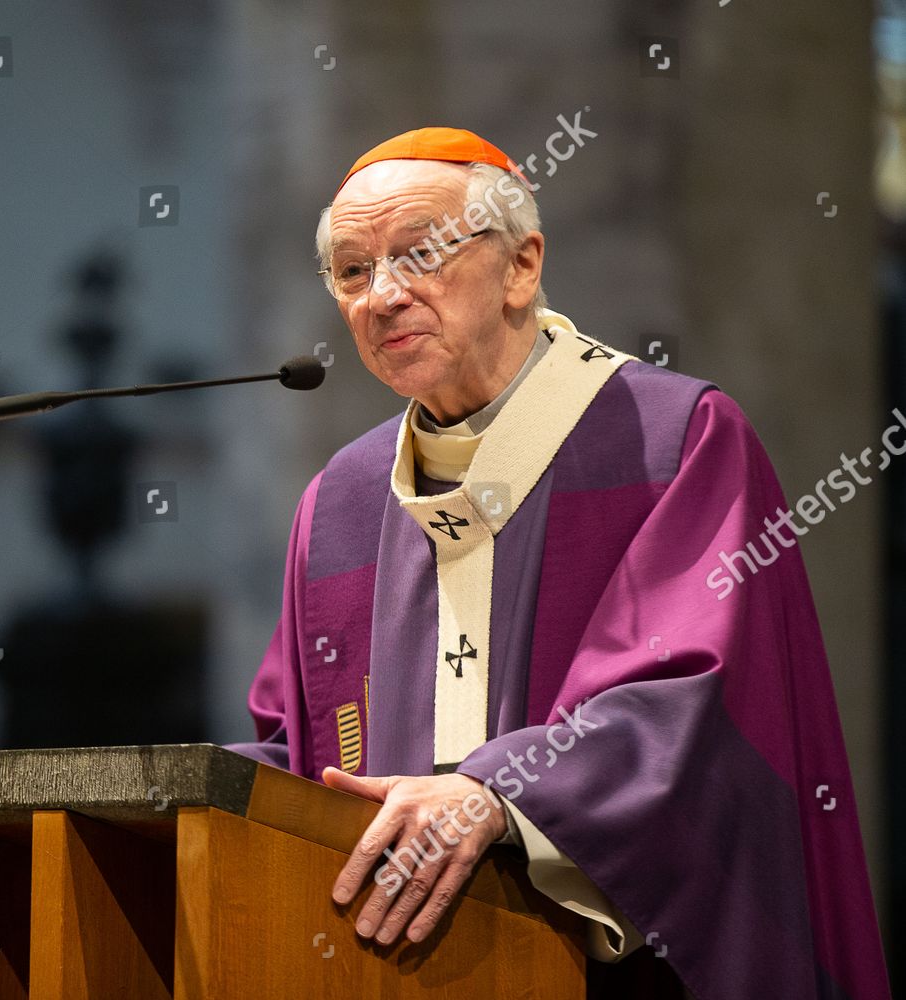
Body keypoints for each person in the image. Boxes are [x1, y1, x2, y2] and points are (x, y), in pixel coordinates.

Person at [228, 127, 892, 999]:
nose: (382, 295)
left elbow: (692, 701)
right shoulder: (344, 501)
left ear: (521, 266)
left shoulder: (671, 439)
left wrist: (499, 794)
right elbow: (301, 746)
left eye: (420, 253)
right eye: (352, 272)